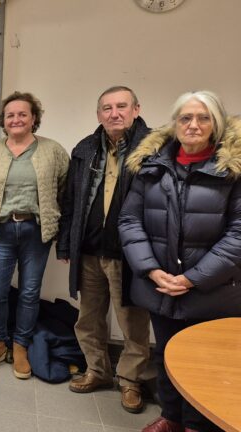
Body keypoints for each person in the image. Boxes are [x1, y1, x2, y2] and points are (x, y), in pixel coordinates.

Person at [120, 91, 241, 432]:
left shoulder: (233, 170)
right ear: (174, 124)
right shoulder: (153, 166)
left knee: (205, 362)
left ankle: (196, 424)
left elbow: (238, 234)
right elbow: (130, 220)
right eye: (185, 118)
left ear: (216, 124)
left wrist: (192, 278)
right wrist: (151, 269)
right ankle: (171, 417)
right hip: (160, 283)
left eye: (203, 118)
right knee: (166, 354)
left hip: (213, 287)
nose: (193, 125)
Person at [56, 86, 151, 413]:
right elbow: (69, 201)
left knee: (132, 321)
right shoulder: (84, 149)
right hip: (89, 250)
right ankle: (97, 370)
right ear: (99, 114)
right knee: (88, 317)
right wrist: (67, 241)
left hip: (129, 253)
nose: (115, 113)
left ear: (136, 109)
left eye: (122, 106)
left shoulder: (152, 148)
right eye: (107, 108)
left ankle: (130, 381)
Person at [0, 91, 69, 380]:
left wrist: (50, 215)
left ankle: (21, 346)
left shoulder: (53, 151)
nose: (16, 119)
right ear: (4, 121)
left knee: (29, 292)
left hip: (36, 231)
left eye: (22, 114)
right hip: (1, 230)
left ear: (34, 118)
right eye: (10, 115)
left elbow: (64, 187)